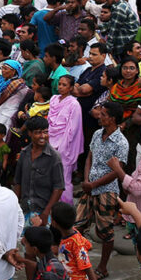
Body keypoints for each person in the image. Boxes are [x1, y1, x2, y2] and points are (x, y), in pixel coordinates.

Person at [76, 103, 129, 279]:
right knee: (78, 225)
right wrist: (86, 180)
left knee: (105, 231)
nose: (99, 116)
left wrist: (94, 184)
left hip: (106, 190)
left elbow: (117, 171)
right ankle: (78, 261)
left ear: (113, 119)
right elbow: (89, 157)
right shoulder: (98, 134)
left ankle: (102, 267)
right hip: (90, 187)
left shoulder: (122, 142)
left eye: (104, 114)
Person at [14, 115, 65, 222]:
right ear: (30, 133)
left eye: (45, 132)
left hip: (43, 211)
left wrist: (46, 213)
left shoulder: (54, 157)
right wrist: (15, 207)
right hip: (24, 210)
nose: (43, 136)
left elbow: (59, 188)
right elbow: (17, 182)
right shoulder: (24, 154)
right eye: (38, 132)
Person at [47, 75, 84, 204]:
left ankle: (64, 205)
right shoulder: (53, 99)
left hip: (65, 143)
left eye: (64, 85)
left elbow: (73, 128)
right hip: (50, 139)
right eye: (60, 84)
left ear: (71, 88)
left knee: (64, 175)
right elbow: (49, 121)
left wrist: (63, 146)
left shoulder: (74, 104)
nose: (61, 87)